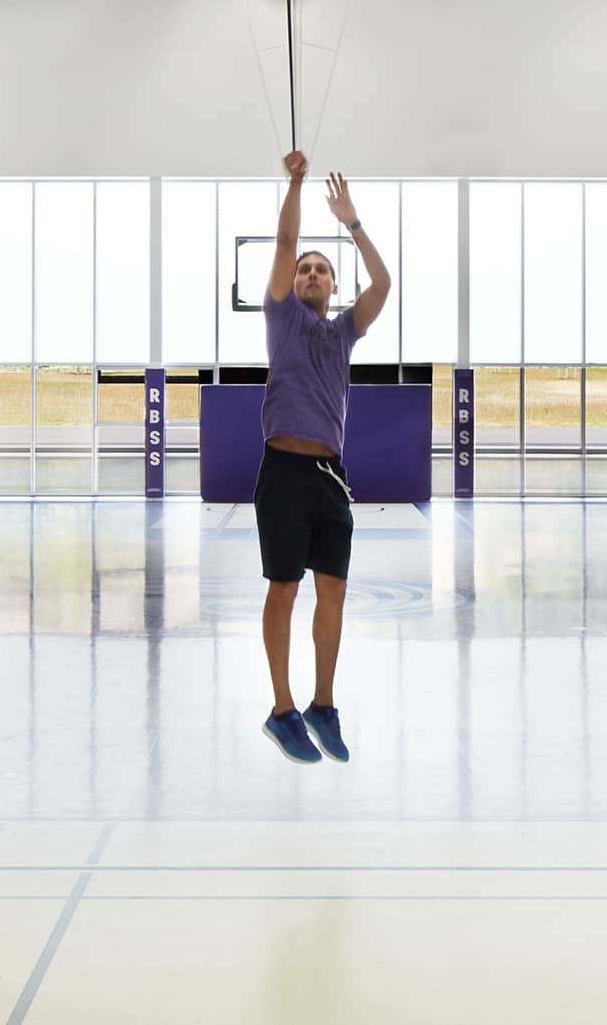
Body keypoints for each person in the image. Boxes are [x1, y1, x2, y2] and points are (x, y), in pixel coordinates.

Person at [256, 149, 389, 765]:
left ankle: (322, 705)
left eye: (320, 270)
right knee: (284, 589)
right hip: (283, 471)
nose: (309, 273)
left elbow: (383, 284)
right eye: (305, 268)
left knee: (332, 590)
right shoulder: (283, 318)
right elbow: (285, 241)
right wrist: (297, 185)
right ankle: (282, 710)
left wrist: (353, 223)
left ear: (334, 287)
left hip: (331, 477)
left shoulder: (343, 332)